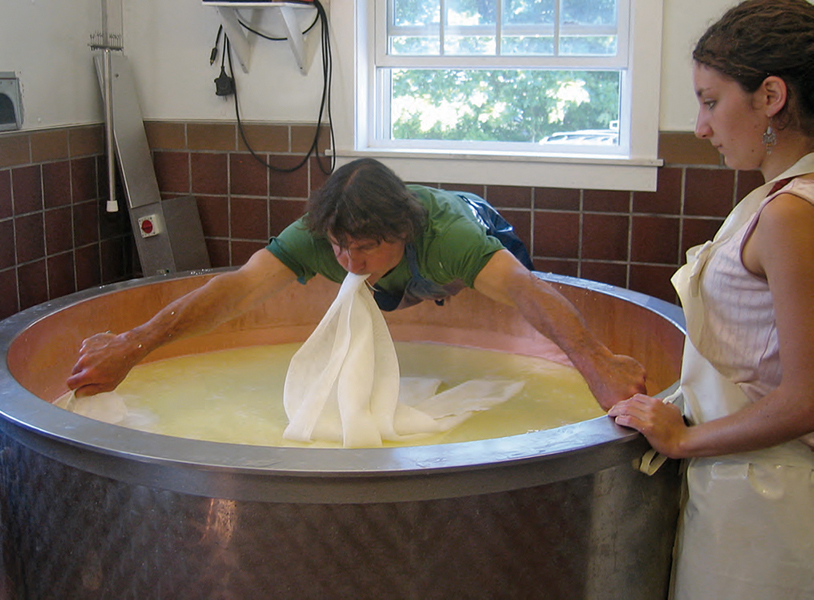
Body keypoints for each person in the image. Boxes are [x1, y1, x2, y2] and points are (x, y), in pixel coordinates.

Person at [67, 158, 646, 410]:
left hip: (483, 221)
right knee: (369, 284)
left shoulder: (446, 236)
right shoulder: (321, 233)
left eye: (366, 247)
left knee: (506, 286)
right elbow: (237, 289)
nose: (348, 258)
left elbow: (528, 292)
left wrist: (597, 362)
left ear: (402, 229)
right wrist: (132, 345)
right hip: (404, 268)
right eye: (340, 245)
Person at [607, 1, 814, 597]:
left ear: (770, 95)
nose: (700, 127)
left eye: (709, 100)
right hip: (755, 486)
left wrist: (682, 439)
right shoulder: (780, 199)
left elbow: (806, 396)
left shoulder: (791, 215)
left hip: (768, 502)